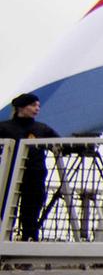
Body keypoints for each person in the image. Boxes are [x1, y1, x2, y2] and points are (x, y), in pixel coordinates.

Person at [4, 93, 53, 241]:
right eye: (33, 105)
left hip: (35, 176)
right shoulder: (4, 128)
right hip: (7, 175)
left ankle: (28, 239)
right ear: (21, 107)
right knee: (5, 209)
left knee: (31, 211)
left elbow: (59, 144)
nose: (37, 108)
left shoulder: (42, 129)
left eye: (38, 106)